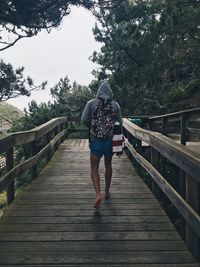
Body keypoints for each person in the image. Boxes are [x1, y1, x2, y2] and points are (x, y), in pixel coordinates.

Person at [81, 80, 122, 208]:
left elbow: (84, 120)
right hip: (109, 142)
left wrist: (93, 127)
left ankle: (98, 194)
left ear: (98, 92)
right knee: (108, 165)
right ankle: (107, 192)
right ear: (110, 93)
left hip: (95, 141)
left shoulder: (91, 104)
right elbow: (119, 122)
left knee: (94, 168)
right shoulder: (115, 105)